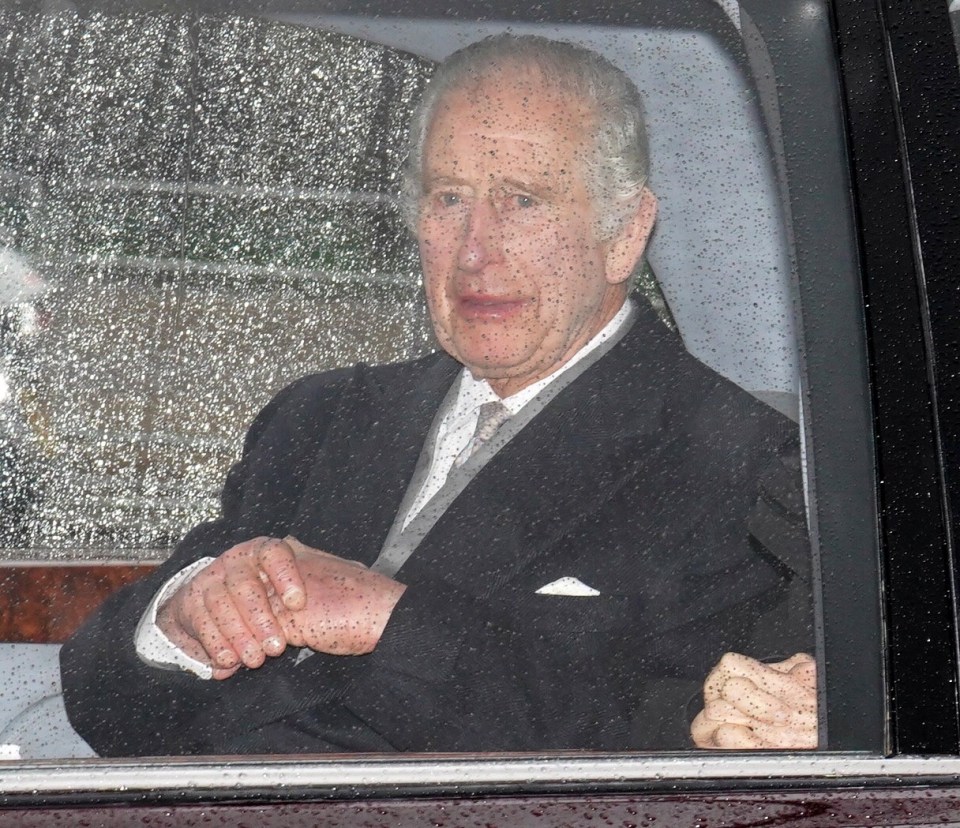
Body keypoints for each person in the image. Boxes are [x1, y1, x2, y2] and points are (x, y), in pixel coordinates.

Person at [61, 34, 817, 756]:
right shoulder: (321, 418)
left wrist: (388, 622)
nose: (475, 249)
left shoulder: (748, 468)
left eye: (522, 201)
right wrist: (183, 622)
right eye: (449, 198)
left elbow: (671, 738)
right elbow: (101, 696)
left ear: (624, 233)